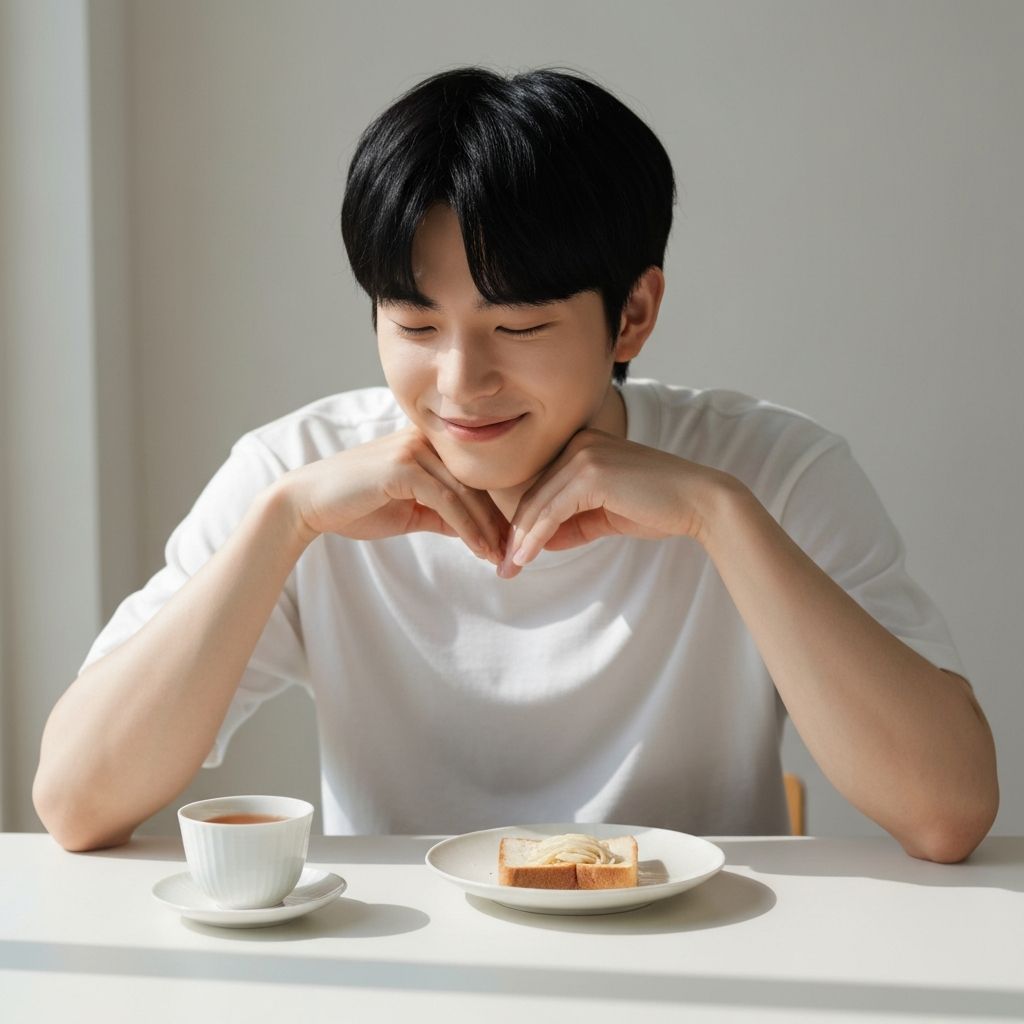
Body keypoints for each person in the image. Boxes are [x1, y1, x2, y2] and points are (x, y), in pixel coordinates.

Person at [34, 66, 998, 860]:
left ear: (633, 315)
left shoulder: (771, 470)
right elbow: (75, 802)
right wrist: (282, 526)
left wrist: (719, 518)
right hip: (404, 983)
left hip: (692, 973)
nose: (460, 381)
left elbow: (946, 811)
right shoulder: (302, 472)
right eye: (415, 324)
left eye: (519, 326)